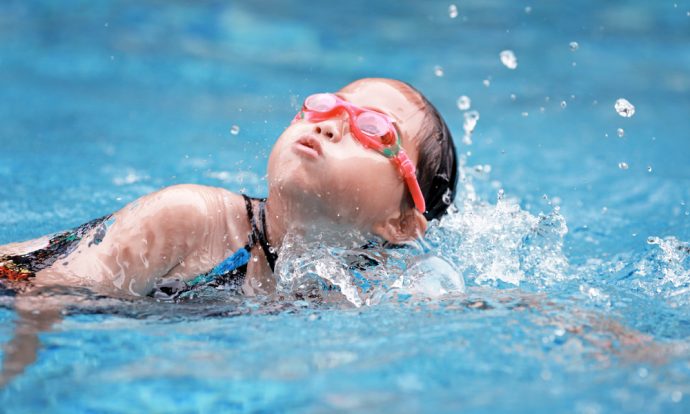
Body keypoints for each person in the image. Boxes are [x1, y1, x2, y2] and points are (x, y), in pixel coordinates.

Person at [0, 77, 458, 300]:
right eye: (328, 106)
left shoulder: (340, 290)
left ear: (400, 223)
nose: (331, 126)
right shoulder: (190, 217)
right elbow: (49, 295)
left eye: (375, 129)